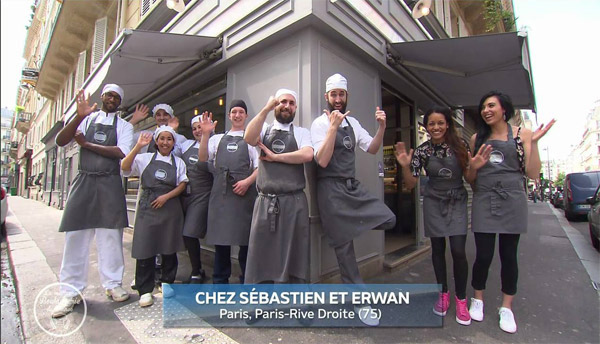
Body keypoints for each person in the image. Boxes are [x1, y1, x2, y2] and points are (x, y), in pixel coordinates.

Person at [465, 91, 555, 333]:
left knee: (509, 256)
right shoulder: (476, 138)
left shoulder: (521, 135)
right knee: (483, 255)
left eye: (491, 105)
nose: (486, 110)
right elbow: (471, 177)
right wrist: (473, 168)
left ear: (504, 109)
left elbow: (533, 174)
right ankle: (478, 299)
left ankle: (506, 307)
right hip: (484, 199)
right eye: (483, 106)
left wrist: (534, 143)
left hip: (512, 201)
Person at [310, 73, 396, 326]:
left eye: (341, 94)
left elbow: (371, 148)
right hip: (330, 190)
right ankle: (360, 301)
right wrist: (333, 127)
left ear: (347, 97)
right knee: (344, 250)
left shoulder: (355, 123)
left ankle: (350, 225)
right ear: (326, 97)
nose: (337, 99)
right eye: (333, 94)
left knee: (388, 219)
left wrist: (382, 128)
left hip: (352, 187)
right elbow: (322, 161)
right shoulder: (319, 124)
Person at [395, 106, 492, 326]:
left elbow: (468, 177)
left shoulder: (460, 146)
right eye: (431, 124)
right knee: (438, 250)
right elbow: (411, 184)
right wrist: (405, 167)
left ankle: (460, 299)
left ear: (447, 124)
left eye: (440, 123)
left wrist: (474, 167)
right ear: (426, 127)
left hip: (456, 200)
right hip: (433, 202)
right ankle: (443, 294)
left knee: (458, 250)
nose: (436, 127)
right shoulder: (422, 151)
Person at [52, 85, 133, 318]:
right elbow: (61, 140)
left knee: (111, 237)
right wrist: (79, 116)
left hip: (109, 183)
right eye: (109, 95)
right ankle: (70, 291)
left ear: (119, 102)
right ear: (102, 97)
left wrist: (86, 144)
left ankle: (113, 284)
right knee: (75, 236)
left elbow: (120, 152)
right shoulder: (87, 118)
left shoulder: (125, 126)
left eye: (117, 97)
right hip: (84, 181)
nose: (112, 99)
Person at [243, 89, 313, 284]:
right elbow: (249, 138)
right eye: (283, 102)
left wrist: (275, 157)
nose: (287, 106)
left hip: (295, 202)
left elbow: (307, 154)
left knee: (296, 255)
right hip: (266, 202)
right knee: (260, 254)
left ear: (296, 108)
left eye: (291, 103)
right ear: (276, 104)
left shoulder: (301, 132)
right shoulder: (263, 129)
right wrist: (266, 108)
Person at [121, 125, 188, 307]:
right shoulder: (144, 158)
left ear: (174, 142)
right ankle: (145, 290)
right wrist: (137, 147)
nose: (165, 142)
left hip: (170, 207)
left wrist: (166, 197)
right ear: (156, 141)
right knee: (145, 247)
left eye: (169, 139)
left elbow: (182, 184)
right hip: (148, 207)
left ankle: (167, 284)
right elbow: (125, 167)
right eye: (162, 139)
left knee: (169, 247)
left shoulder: (179, 162)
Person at [198, 100, 258, 284]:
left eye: (241, 112)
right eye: (234, 112)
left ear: (246, 116)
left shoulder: (252, 140)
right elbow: (202, 160)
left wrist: (247, 182)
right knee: (221, 242)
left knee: (245, 243)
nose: (237, 115)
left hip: (244, 195)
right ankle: (220, 281)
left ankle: (246, 281)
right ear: (229, 115)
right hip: (221, 196)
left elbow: (260, 167)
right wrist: (206, 134)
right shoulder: (217, 139)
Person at [179, 115, 213, 283]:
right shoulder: (185, 145)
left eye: (200, 127)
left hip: (202, 195)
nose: (197, 131)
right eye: (194, 128)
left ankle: (196, 272)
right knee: (181, 234)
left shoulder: (214, 145)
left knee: (190, 232)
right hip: (183, 194)